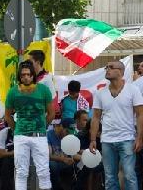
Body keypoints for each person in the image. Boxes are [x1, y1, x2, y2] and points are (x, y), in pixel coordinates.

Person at [90, 61, 143, 190]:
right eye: (106, 67)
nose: (107, 69)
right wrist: (92, 139)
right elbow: (95, 117)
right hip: (107, 140)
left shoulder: (133, 90)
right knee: (109, 177)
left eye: (111, 67)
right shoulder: (100, 93)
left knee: (129, 175)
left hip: (127, 139)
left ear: (121, 71)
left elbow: (140, 114)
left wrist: (139, 138)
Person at [4, 60, 55, 190]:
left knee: (44, 171)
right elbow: (7, 115)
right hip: (21, 136)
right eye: (23, 75)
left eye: (28, 74)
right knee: (21, 172)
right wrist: (17, 129)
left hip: (39, 135)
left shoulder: (43, 90)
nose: (26, 77)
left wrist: (43, 127)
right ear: (19, 76)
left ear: (33, 75)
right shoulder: (12, 92)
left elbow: (51, 113)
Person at [48, 120, 78, 190]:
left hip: (65, 162)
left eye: (70, 133)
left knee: (79, 165)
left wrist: (84, 158)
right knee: (52, 165)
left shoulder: (70, 137)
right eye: (67, 132)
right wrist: (63, 159)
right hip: (55, 162)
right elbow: (49, 156)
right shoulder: (49, 135)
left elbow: (74, 154)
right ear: (61, 127)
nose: (68, 135)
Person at [0, 123, 15, 190]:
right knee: (7, 161)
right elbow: (0, 153)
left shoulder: (26, 134)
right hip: (1, 162)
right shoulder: (4, 132)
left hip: (19, 161)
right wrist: (14, 153)